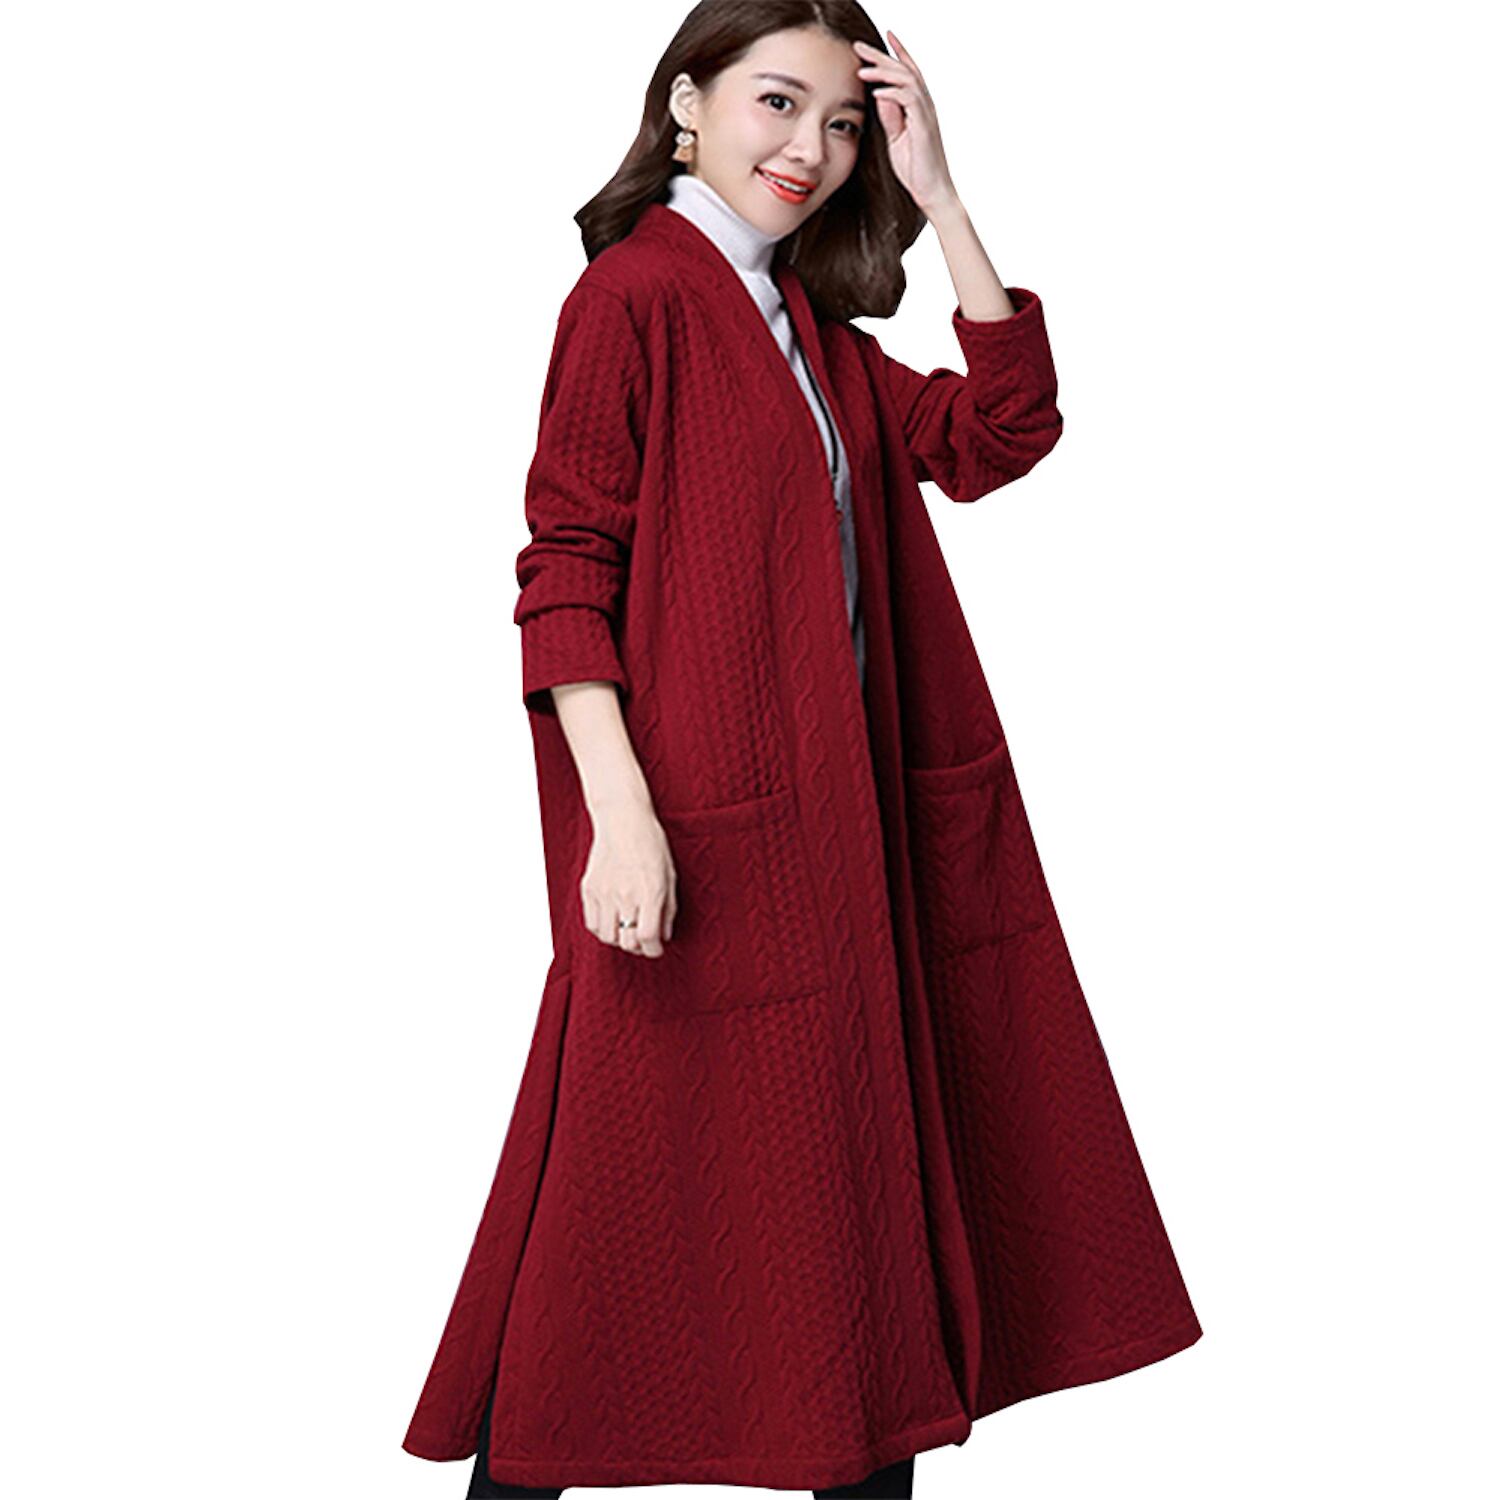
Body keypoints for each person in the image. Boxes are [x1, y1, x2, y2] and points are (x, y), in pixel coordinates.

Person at [404, 5, 1202, 1496]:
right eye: (779, 102)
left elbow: (1002, 431)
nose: (812, 149)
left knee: (851, 1220)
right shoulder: (635, 298)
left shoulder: (818, 339)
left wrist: (942, 193)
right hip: (689, 848)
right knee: (611, 1214)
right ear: (686, 103)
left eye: (842, 123)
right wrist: (620, 820)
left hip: (844, 848)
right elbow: (564, 568)